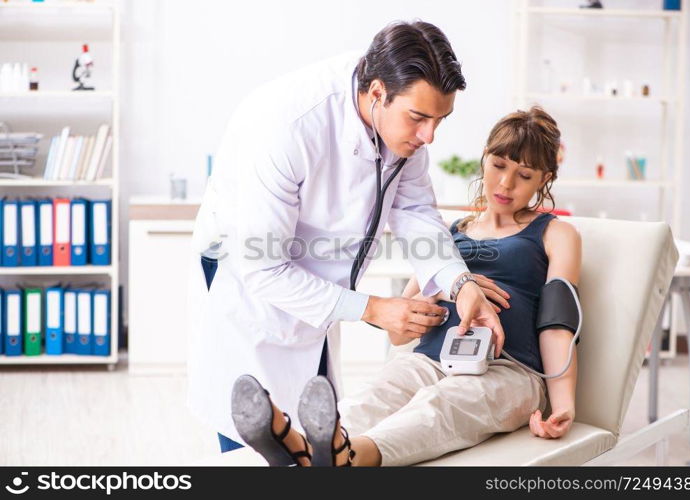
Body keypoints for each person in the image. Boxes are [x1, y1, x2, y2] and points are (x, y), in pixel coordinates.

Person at [188, 20, 507, 454]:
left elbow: (414, 211)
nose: (429, 136)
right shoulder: (288, 126)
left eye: (440, 120)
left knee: (314, 429)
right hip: (249, 278)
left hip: (318, 280)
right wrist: (374, 308)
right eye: (418, 118)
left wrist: (459, 281)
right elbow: (263, 268)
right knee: (253, 427)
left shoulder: (404, 127)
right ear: (377, 93)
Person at [230, 106, 583, 466]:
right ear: (484, 160)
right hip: (430, 360)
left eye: (524, 175)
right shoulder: (448, 234)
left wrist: (564, 406)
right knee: (374, 397)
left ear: (545, 179)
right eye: (498, 166)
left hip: (509, 372)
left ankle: (340, 457)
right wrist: (453, 287)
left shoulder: (555, 233)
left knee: (440, 406)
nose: (505, 184)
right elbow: (399, 335)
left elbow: (557, 323)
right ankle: (302, 448)